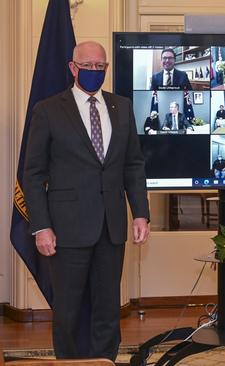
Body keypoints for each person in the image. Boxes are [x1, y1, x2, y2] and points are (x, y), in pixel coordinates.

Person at [22, 41, 150, 360]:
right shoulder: (49, 110)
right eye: (87, 65)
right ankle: (70, 362)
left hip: (112, 226)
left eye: (100, 67)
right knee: (68, 310)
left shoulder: (121, 107)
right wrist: (41, 227)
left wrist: (140, 214)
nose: (94, 72)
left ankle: (104, 360)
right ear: (73, 67)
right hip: (66, 230)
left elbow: (133, 164)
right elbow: (33, 174)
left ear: (106, 69)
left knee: (108, 308)